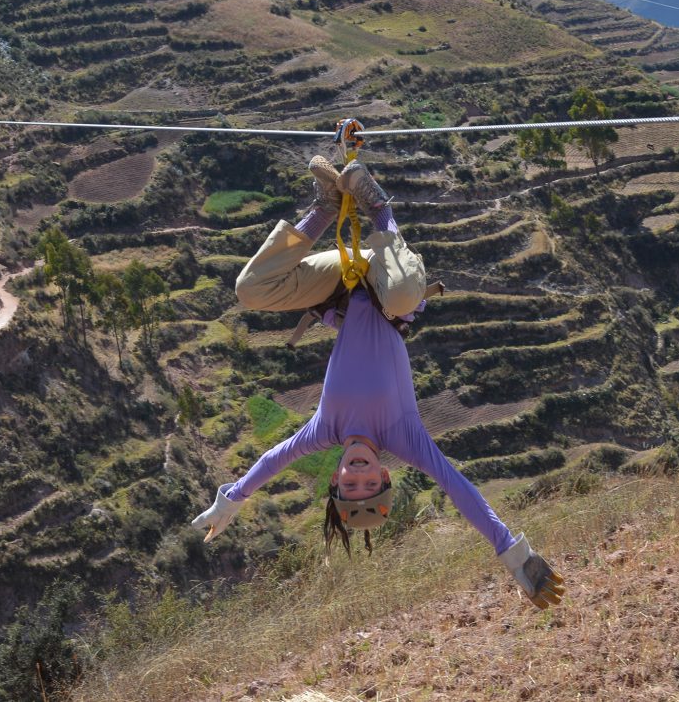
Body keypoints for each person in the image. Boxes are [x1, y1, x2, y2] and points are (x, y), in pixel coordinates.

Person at [191, 154, 566, 610]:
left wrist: (230, 500)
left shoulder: (323, 430)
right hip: (388, 286)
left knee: (250, 290)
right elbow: (459, 490)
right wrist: (513, 554)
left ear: (336, 478)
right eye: (372, 485)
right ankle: (378, 208)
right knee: (409, 293)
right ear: (386, 475)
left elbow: (272, 461)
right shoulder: (403, 436)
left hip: (342, 289)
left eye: (351, 486)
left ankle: (325, 207)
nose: (361, 477)